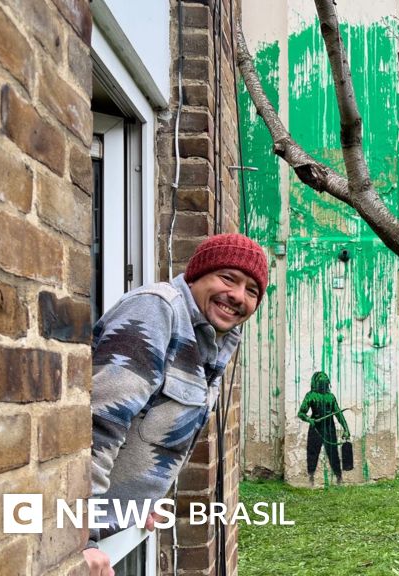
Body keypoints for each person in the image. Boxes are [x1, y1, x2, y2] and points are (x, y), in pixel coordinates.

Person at [83, 234, 268, 576]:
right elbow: (97, 427)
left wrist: (139, 503)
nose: (238, 296)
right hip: (86, 545)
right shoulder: (156, 310)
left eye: (252, 291)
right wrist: (80, 536)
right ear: (197, 274)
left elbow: (152, 425)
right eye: (228, 278)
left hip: (117, 532)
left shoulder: (213, 338)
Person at [297, 371, 350, 486]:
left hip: (329, 428)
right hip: (315, 428)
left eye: (325, 382)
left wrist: (346, 428)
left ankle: (339, 477)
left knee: (333, 454)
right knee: (312, 453)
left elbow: (338, 414)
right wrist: (309, 419)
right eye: (321, 382)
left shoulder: (330, 397)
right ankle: (310, 478)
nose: (323, 384)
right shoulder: (310, 395)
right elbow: (301, 413)